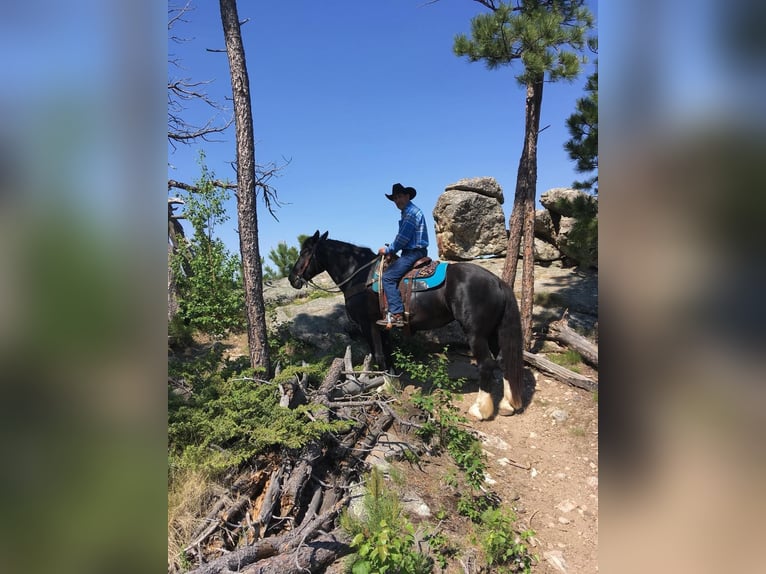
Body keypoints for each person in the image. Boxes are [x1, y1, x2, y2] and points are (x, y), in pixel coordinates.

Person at [376, 183, 429, 328]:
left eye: (400, 196)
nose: (397, 201)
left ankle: (396, 314)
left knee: (388, 277)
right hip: (413, 251)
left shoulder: (411, 213)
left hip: (414, 252)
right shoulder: (408, 212)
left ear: (407, 196)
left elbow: (403, 238)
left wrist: (388, 250)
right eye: (395, 198)